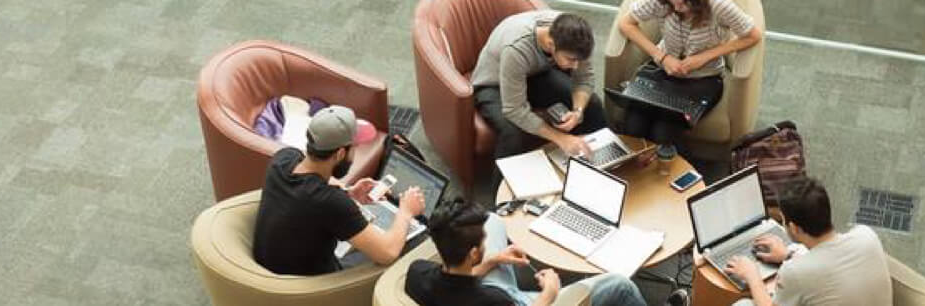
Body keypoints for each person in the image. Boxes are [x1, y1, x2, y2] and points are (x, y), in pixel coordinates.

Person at [251, 105, 427, 275]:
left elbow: (311, 186)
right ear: (340, 154)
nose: (355, 153)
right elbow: (387, 253)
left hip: (274, 268)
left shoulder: (283, 159)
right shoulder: (330, 202)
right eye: (355, 147)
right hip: (311, 287)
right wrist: (406, 211)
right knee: (418, 240)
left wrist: (350, 192)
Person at [615, 0, 763, 148]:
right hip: (662, 71)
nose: (676, 8)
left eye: (682, 4)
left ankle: (663, 173)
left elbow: (753, 35)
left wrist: (704, 57)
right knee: (632, 125)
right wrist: (662, 56)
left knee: (663, 133)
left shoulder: (718, 4)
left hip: (703, 79)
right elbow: (626, 24)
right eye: (672, 3)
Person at [404, 199, 653, 306]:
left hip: (471, 286)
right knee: (620, 284)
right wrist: (550, 292)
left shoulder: (417, 272)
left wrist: (492, 260)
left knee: (491, 218)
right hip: (519, 302)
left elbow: (458, 281)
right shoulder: (493, 300)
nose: (485, 242)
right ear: (471, 254)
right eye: (483, 242)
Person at [723, 178, 891, 306]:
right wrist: (788, 254)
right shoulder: (866, 234)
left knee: (744, 304)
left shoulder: (795, 273)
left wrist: (752, 276)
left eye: (782, 220)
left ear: (794, 228)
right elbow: (831, 260)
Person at [473, 11, 608, 159]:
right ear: (551, 45)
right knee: (513, 134)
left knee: (592, 104)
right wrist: (561, 139)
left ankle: (599, 161)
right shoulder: (517, 49)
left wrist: (578, 111)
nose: (575, 66)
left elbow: (584, 78)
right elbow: (514, 110)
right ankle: (501, 182)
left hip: (535, 74)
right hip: (493, 83)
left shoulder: (575, 37)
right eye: (571, 60)